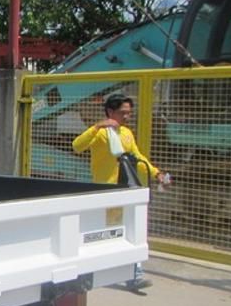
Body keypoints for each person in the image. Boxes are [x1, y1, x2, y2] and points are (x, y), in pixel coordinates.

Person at [72, 93, 168, 291]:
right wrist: (97, 126)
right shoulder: (99, 133)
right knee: (99, 233)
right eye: (123, 113)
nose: (127, 116)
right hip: (105, 190)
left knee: (131, 231)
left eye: (128, 113)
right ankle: (86, 272)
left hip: (125, 190)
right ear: (110, 112)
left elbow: (136, 157)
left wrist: (156, 173)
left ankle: (135, 274)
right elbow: (77, 146)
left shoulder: (126, 134)